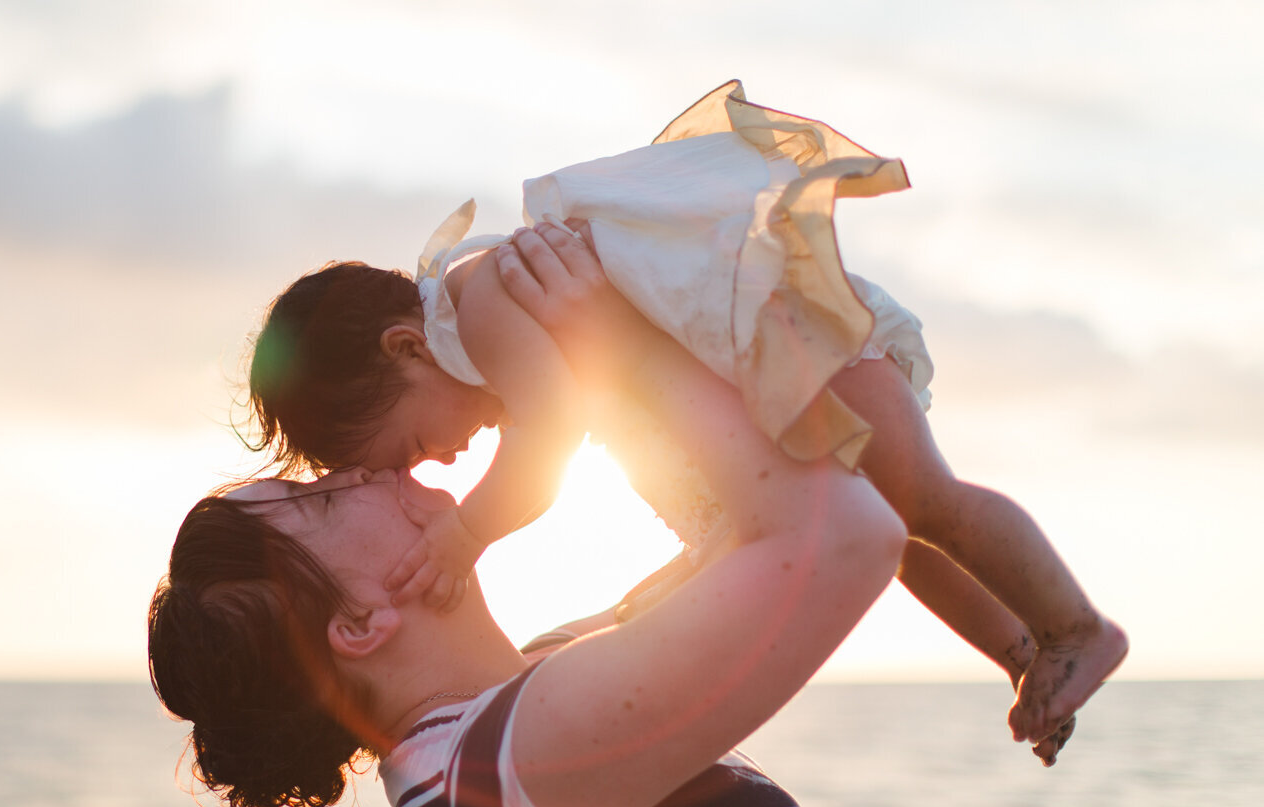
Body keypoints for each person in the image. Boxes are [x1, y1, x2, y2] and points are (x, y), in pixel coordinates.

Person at [244, 81, 1126, 751]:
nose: (437, 461)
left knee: (927, 502)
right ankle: (1025, 654)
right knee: (897, 533)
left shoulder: (478, 305)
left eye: (410, 444)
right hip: (770, 371)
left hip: (793, 341)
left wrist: (470, 533)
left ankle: (1078, 626)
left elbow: (547, 440)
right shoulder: (482, 336)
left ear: (405, 349)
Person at [149, 232, 908, 807]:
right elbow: (846, 537)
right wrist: (621, 344)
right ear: (356, 625)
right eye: (319, 496)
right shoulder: (495, 774)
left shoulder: (497, 731)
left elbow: (749, 534)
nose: (362, 471)